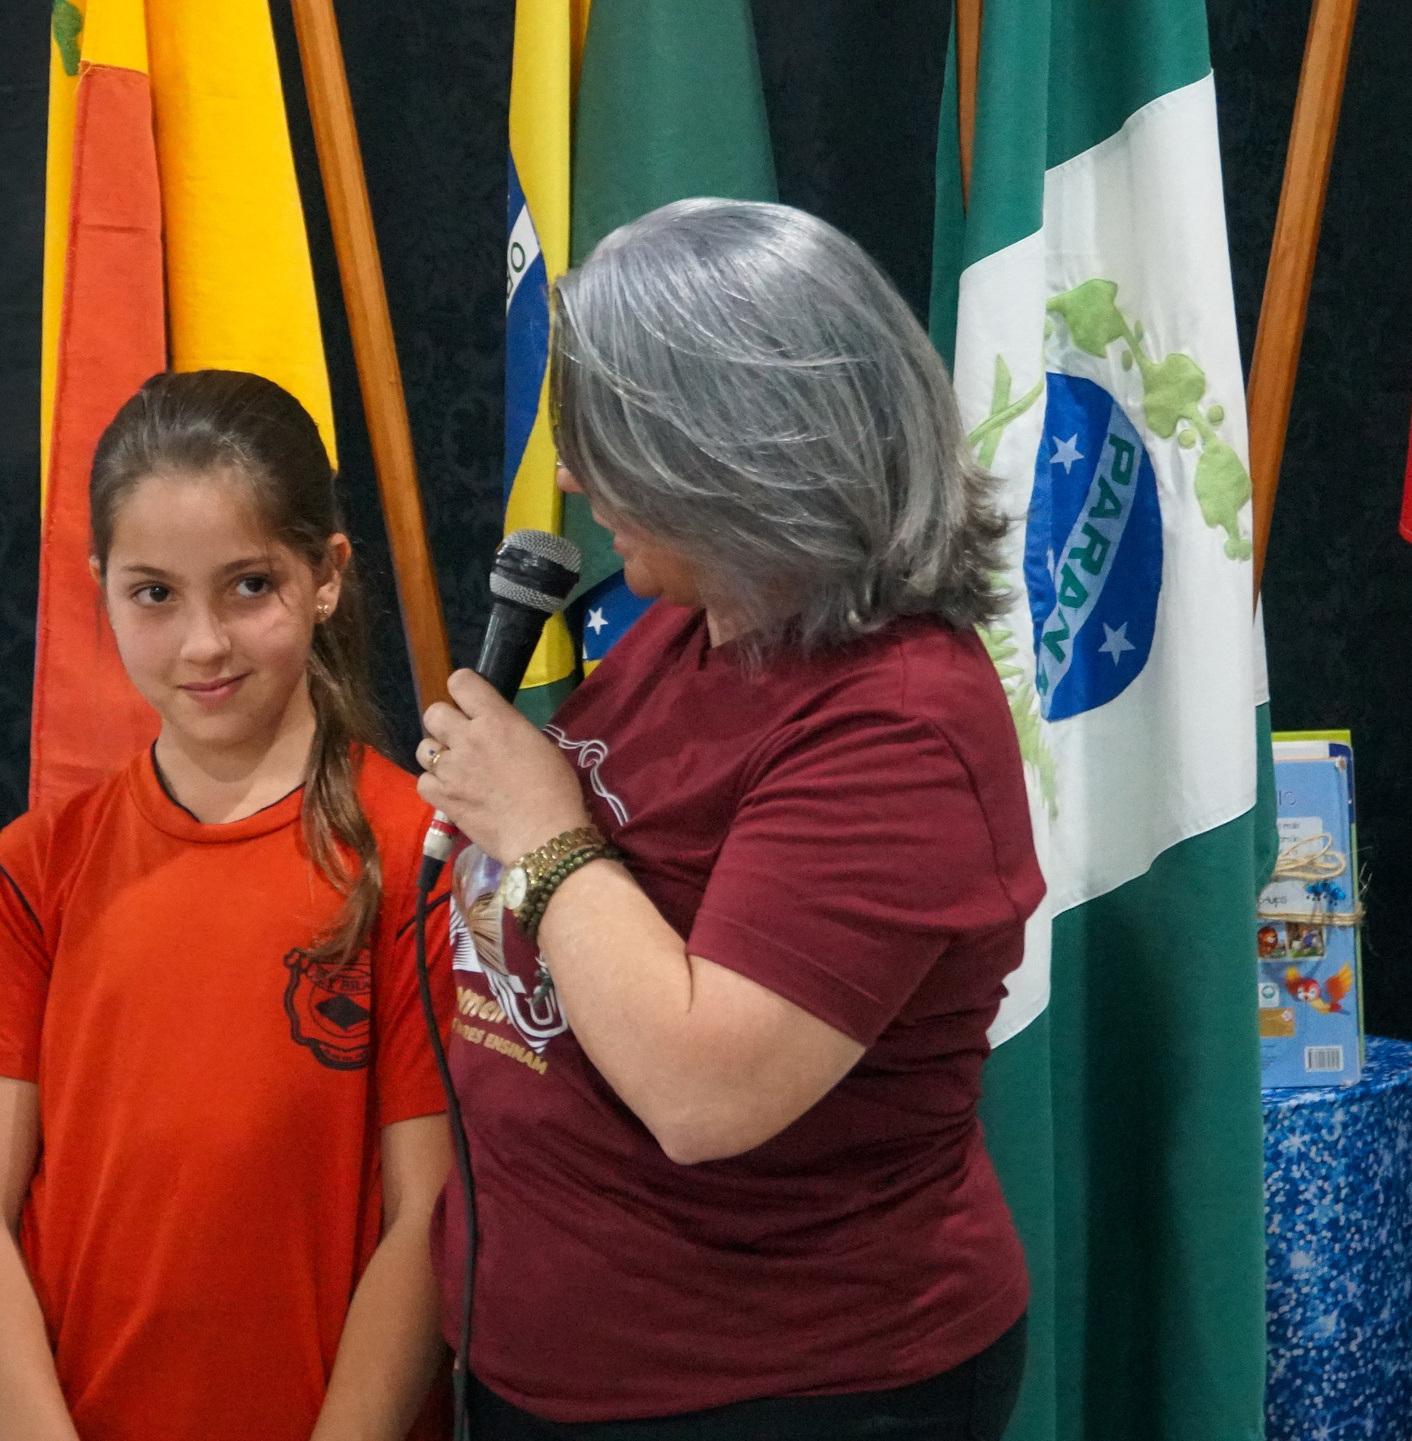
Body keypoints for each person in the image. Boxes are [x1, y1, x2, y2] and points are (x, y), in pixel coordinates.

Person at [412, 199, 1044, 1439]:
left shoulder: (897, 721)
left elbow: (705, 1094)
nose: (580, 480)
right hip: (557, 1361)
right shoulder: (706, 621)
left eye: (612, 447)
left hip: (785, 1392)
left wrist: (542, 827)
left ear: (734, 454)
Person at [0, 370, 453, 1441]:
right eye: (154, 593)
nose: (202, 642)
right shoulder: (34, 869)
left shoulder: (415, 856)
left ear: (327, 574)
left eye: (249, 585)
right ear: (101, 585)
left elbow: (427, 1213)